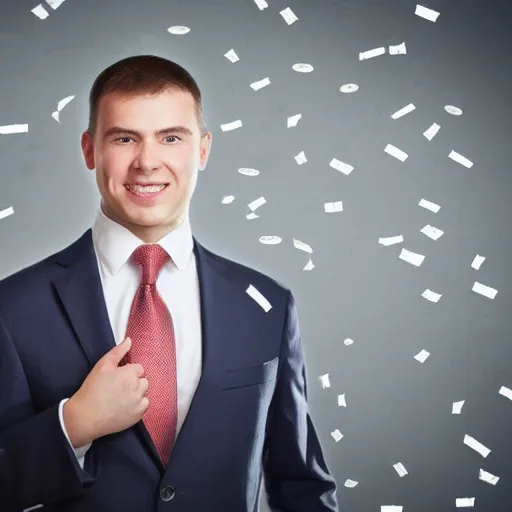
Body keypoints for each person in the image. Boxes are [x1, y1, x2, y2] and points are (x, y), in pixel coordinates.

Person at [0, 54, 339, 511]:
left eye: (171, 138)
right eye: (124, 138)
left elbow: (302, 485)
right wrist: (73, 424)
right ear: (89, 149)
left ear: (202, 149)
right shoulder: (14, 307)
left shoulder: (268, 307)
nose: (147, 162)